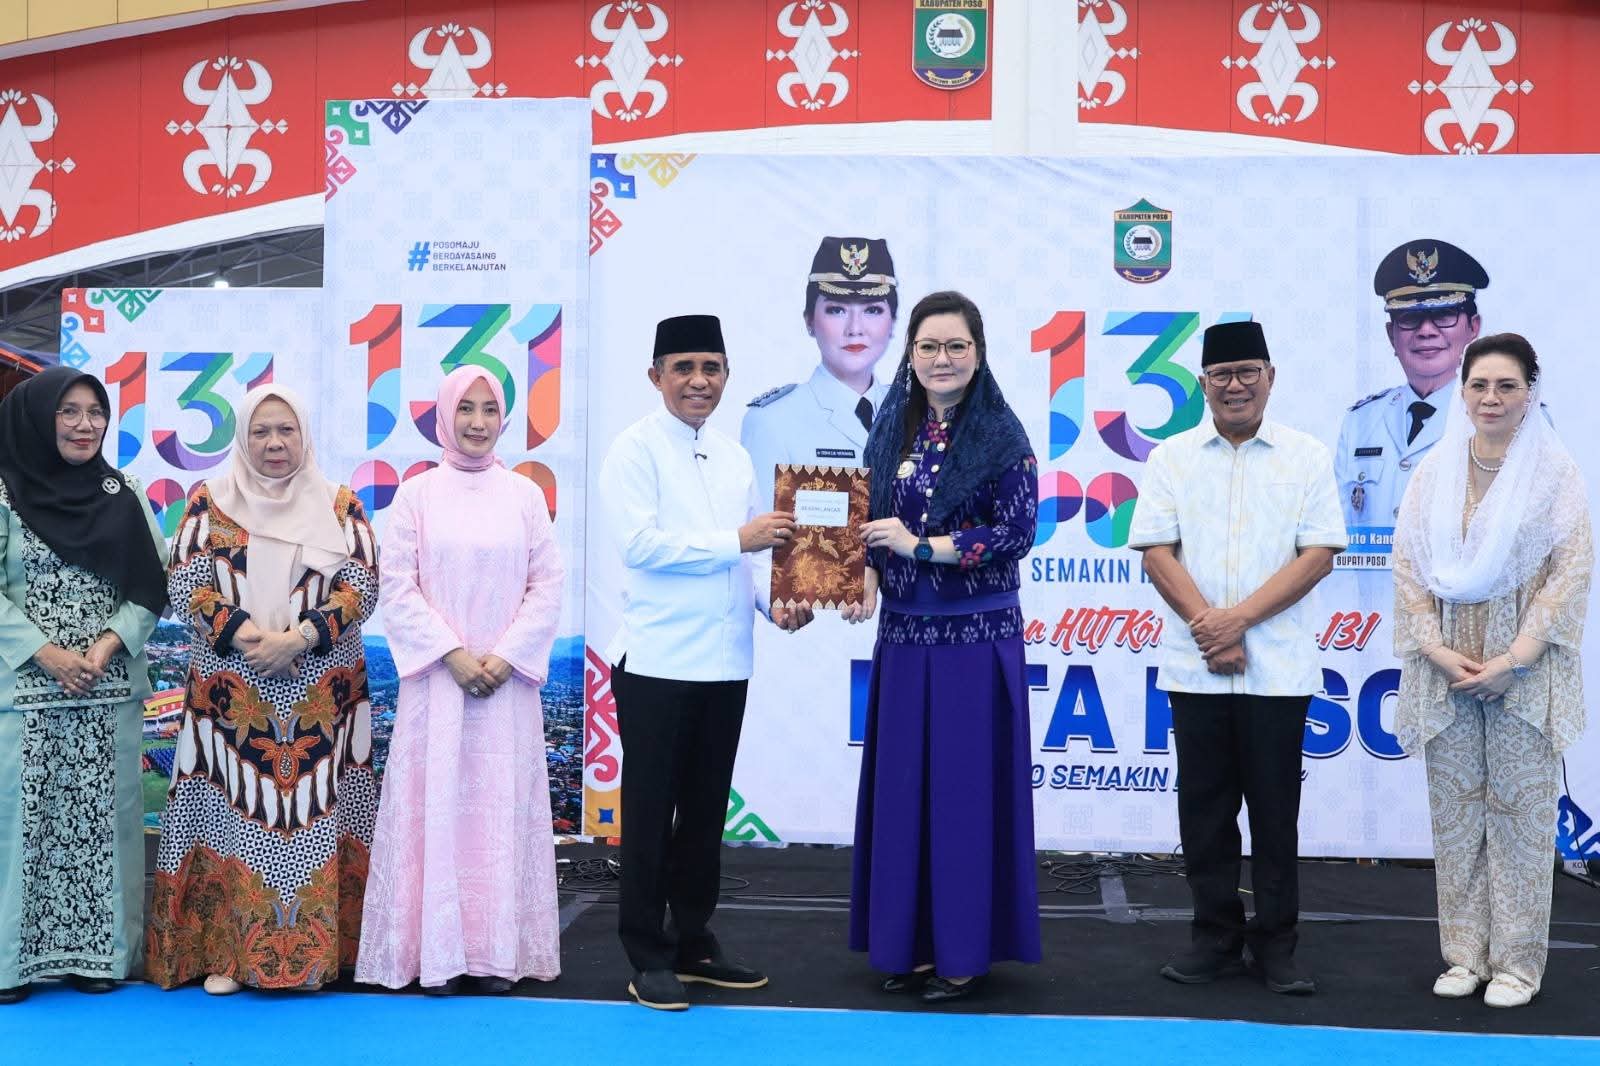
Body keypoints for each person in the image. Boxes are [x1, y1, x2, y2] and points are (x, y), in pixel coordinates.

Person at [1128, 320, 1347, 995]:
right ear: (1202, 383)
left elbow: (1318, 554)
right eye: (1221, 375)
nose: (1235, 385)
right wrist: (1211, 628)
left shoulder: (1306, 456)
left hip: (1276, 670)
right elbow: (1156, 551)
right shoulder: (1171, 458)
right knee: (1205, 812)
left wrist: (1237, 622)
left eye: (1248, 371)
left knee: (1276, 815)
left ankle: (1276, 944)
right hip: (1196, 667)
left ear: (1270, 377)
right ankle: (1215, 938)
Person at [598, 313, 809, 1011]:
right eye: (684, 368)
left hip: (726, 664)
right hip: (657, 662)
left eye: (711, 368)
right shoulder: (633, 450)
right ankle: (646, 954)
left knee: (705, 813)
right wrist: (737, 540)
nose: (698, 381)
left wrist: (778, 606)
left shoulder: (734, 456)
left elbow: (751, 564)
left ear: (726, 376)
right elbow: (642, 546)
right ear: (655, 376)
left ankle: (692, 940)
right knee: (650, 814)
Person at [145, 385, 379, 994]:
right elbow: (186, 583)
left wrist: (298, 639)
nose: (275, 443)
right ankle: (229, 955)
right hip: (232, 696)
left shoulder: (341, 505)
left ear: (304, 436)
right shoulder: (210, 501)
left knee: (315, 816)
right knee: (232, 816)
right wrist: (249, 637)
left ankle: (321, 955)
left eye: (286, 430)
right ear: (243, 439)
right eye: (261, 431)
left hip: (319, 697)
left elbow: (362, 585)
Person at [846, 290, 1041, 1004]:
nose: (942, 359)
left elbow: (1017, 533)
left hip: (973, 645)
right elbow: (871, 519)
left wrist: (922, 546)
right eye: (928, 346)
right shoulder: (891, 425)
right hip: (903, 636)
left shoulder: (1001, 434)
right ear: (910, 354)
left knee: (962, 799)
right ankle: (907, 948)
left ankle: (962, 956)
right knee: (904, 795)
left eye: (957, 346)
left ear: (978, 354)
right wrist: (864, 575)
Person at [1392, 333, 1591, 1009]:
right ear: (1463, 391)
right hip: (1447, 670)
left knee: (1520, 821)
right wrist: (1436, 650)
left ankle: (1516, 965)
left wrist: (1515, 660)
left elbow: (1570, 571)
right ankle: (1464, 956)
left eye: (1507, 386)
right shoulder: (1434, 471)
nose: (1491, 398)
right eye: (1479, 385)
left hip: (1522, 673)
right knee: (1456, 819)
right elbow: (1407, 568)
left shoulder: (1553, 473)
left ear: (1530, 392)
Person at [357, 366, 565, 995]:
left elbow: (547, 585)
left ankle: (495, 955)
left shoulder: (524, 496)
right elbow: (397, 586)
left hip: (506, 690)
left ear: (504, 418)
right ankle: (435, 956)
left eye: (489, 409)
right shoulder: (417, 496)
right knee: (436, 812)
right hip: (437, 687)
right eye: (466, 409)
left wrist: (505, 656)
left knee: (498, 816)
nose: (478, 422)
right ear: (444, 417)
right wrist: (451, 654)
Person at [0, 368, 169, 1005]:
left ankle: (103, 956)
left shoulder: (123, 493)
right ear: (37, 419)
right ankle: (12, 963)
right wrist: (46, 654)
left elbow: (151, 585)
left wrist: (105, 646)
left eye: (95, 412)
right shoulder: (3, 494)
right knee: (23, 826)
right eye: (68, 411)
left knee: (104, 826)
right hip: (25, 694)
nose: (84, 424)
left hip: (106, 690)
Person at [1335, 239, 1487, 530]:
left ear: (1473, 327)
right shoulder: (1361, 422)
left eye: (1443, 315)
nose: (1426, 331)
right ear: (1391, 335)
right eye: (1410, 318)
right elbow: (1339, 534)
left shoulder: (1507, 417)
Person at [741, 236, 899, 508]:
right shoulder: (772, 421)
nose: (855, 329)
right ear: (809, 321)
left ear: (893, 322)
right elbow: (763, 532)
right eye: (837, 310)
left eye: (872, 310)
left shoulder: (914, 413)